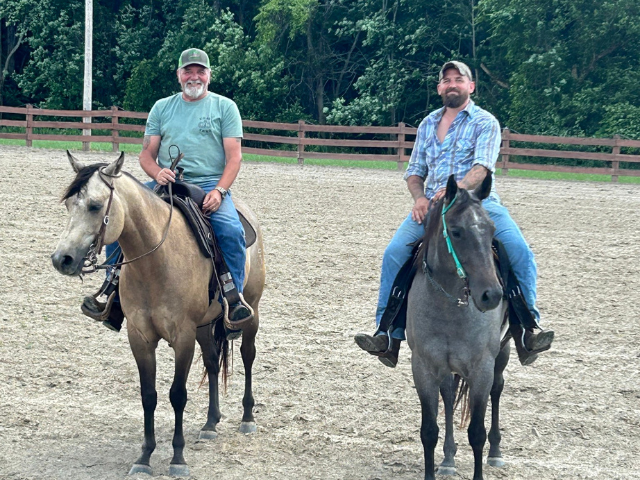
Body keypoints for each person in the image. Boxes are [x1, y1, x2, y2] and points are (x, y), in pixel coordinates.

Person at [354, 60, 554, 367]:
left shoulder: (485, 122)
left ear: (470, 86)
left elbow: (482, 167)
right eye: (446, 80)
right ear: (439, 88)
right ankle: (388, 333)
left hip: (477, 204)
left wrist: (456, 189)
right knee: (394, 253)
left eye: (458, 79)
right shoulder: (427, 125)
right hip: (433, 209)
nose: (452, 84)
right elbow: (415, 172)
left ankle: (528, 329)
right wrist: (419, 198)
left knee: (518, 250)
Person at [82, 48, 251, 339]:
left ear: (209, 75)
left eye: (200, 71)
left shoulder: (225, 108)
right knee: (120, 217)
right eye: (188, 71)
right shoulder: (162, 107)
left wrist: (220, 191)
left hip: (210, 183)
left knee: (231, 230)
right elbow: (147, 154)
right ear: (179, 75)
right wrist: (157, 172)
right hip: (168, 181)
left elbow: (234, 158)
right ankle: (113, 293)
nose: (194, 76)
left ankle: (231, 300)